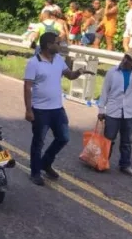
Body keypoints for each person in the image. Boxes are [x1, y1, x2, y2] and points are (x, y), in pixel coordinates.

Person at [23, 32, 91, 186]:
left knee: (63, 138)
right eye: (57, 43)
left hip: (57, 109)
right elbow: (27, 87)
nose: (60, 45)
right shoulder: (34, 63)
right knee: (38, 142)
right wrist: (28, 110)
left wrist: (79, 72)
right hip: (40, 110)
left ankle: (45, 163)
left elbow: (69, 75)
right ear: (48, 45)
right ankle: (35, 172)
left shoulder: (59, 59)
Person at [97, 48, 132, 177]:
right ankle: (103, 162)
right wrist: (101, 109)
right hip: (113, 110)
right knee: (108, 139)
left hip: (130, 111)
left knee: (126, 140)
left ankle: (125, 165)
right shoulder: (112, 72)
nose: (125, 60)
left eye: (129, 59)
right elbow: (105, 91)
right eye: (125, 57)